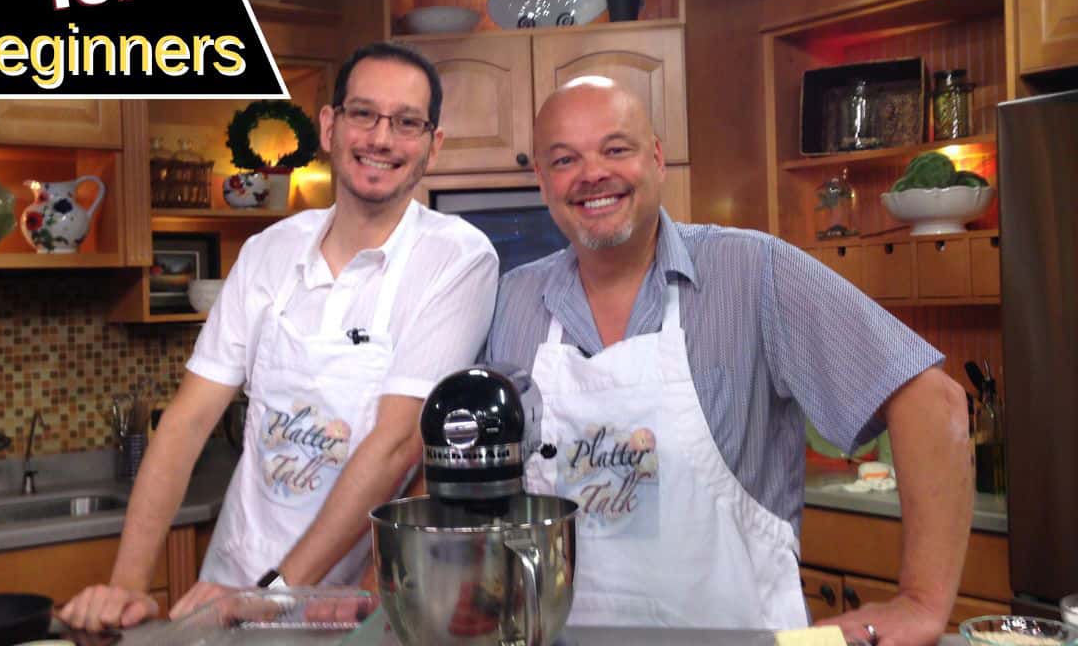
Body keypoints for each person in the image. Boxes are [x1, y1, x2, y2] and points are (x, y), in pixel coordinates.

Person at [485, 76, 972, 645]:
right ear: (542, 181)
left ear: (658, 159)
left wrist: (922, 602)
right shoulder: (512, 302)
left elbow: (933, 403)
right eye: (565, 158)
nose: (593, 173)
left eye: (616, 149)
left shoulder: (754, 273)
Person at [60, 42, 498, 631]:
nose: (381, 138)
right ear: (329, 125)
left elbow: (398, 444)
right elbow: (187, 421)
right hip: (231, 582)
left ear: (433, 145)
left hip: (347, 605)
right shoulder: (268, 251)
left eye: (407, 122)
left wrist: (281, 592)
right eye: (363, 114)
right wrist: (126, 587)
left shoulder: (458, 258)